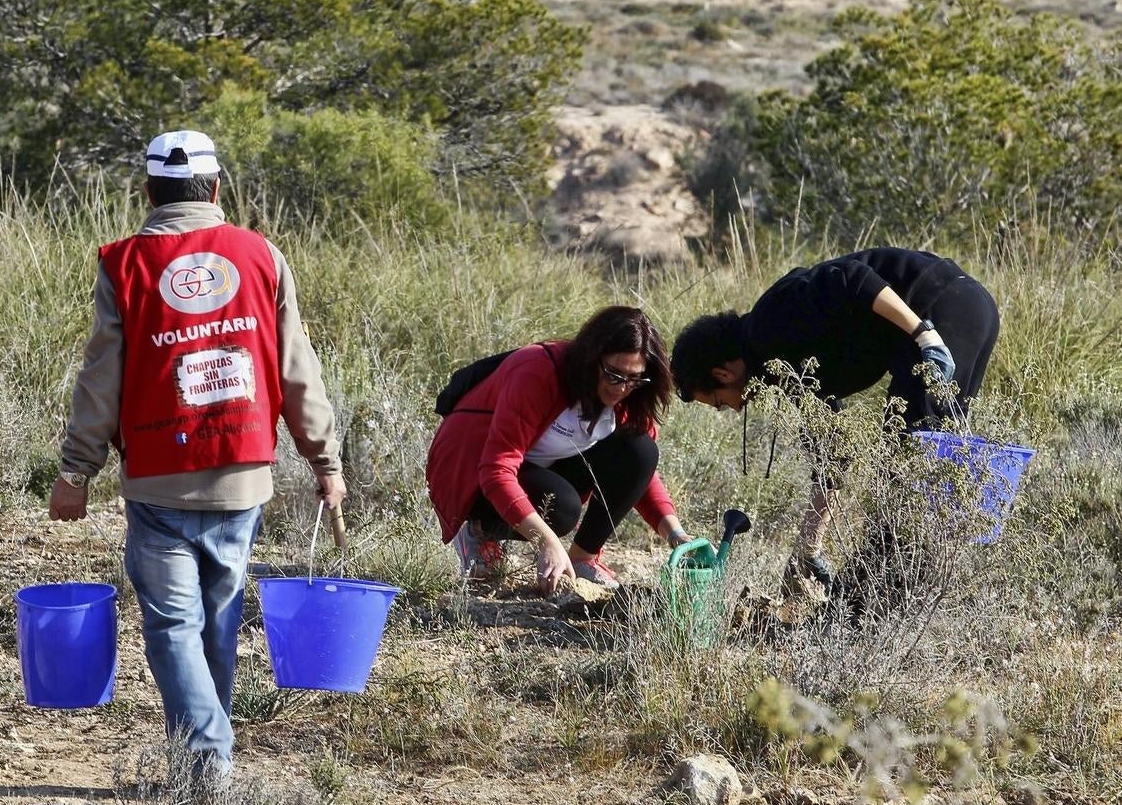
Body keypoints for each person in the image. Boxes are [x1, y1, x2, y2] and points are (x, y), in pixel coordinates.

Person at [47, 129, 345, 786]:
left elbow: (102, 376)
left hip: (159, 480)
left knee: (173, 625)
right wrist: (325, 460)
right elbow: (297, 367)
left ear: (148, 191)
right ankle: (204, 761)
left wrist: (76, 471)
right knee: (215, 620)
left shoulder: (123, 264)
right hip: (243, 478)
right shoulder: (261, 254)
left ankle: (206, 763)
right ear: (215, 189)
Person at [668, 246, 999, 593]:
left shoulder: (770, 325)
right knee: (931, 463)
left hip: (943, 306)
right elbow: (833, 454)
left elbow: (852, 278)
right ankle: (908, 594)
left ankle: (874, 598)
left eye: (721, 402)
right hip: (969, 309)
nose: (736, 409)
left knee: (908, 461)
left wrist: (923, 334)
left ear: (722, 373)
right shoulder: (780, 370)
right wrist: (807, 548)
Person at [426, 305, 696, 595]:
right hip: (470, 469)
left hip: (534, 464)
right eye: (614, 375)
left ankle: (583, 559)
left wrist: (675, 533)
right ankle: (479, 531)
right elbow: (496, 469)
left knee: (640, 449)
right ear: (591, 359)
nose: (621, 388)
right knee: (561, 509)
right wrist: (547, 541)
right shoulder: (537, 373)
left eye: (634, 378)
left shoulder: (629, 395)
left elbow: (637, 466)